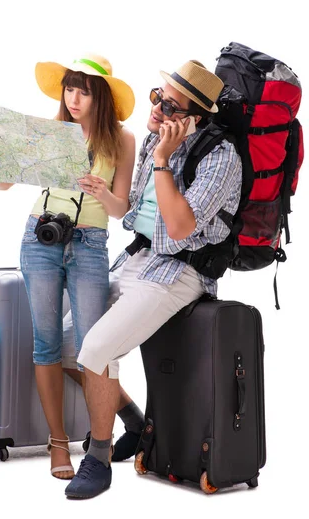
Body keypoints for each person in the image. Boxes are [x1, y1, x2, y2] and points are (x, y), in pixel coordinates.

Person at [64, 60, 243, 499]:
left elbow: (180, 227)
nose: (159, 108)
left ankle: (98, 458)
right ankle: (135, 422)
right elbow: (137, 215)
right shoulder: (148, 141)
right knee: (68, 346)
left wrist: (164, 160)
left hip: (181, 270)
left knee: (98, 347)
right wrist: (107, 194)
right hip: (139, 258)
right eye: (158, 97)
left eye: (172, 105)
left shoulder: (221, 156)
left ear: (194, 118)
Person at [0, 53, 136, 480]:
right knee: (45, 345)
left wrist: (101, 191)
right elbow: (5, 182)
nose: (75, 97)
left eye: (84, 89)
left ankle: (121, 431)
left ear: (100, 95)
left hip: (89, 242)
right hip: (40, 236)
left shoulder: (121, 140)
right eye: (70, 88)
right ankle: (58, 444)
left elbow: (121, 210)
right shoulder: (49, 132)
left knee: (92, 349)